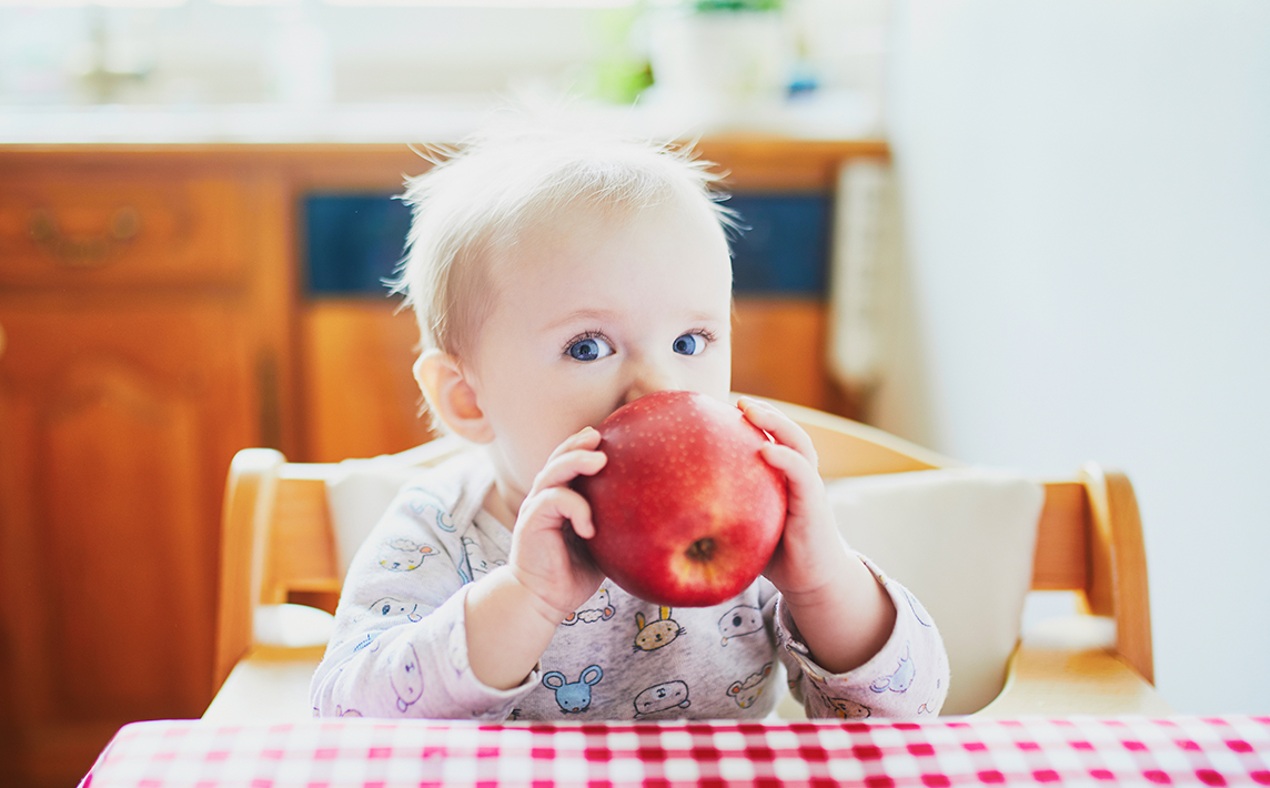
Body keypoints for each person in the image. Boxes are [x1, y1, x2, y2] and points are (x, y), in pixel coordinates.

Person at [310, 116, 948, 721]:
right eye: (588, 346)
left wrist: (823, 584)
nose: (659, 387)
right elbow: (346, 716)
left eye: (690, 342)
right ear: (467, 398)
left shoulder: (753, 519)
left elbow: (905, 711)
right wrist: (524, 598)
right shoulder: (439, 533)